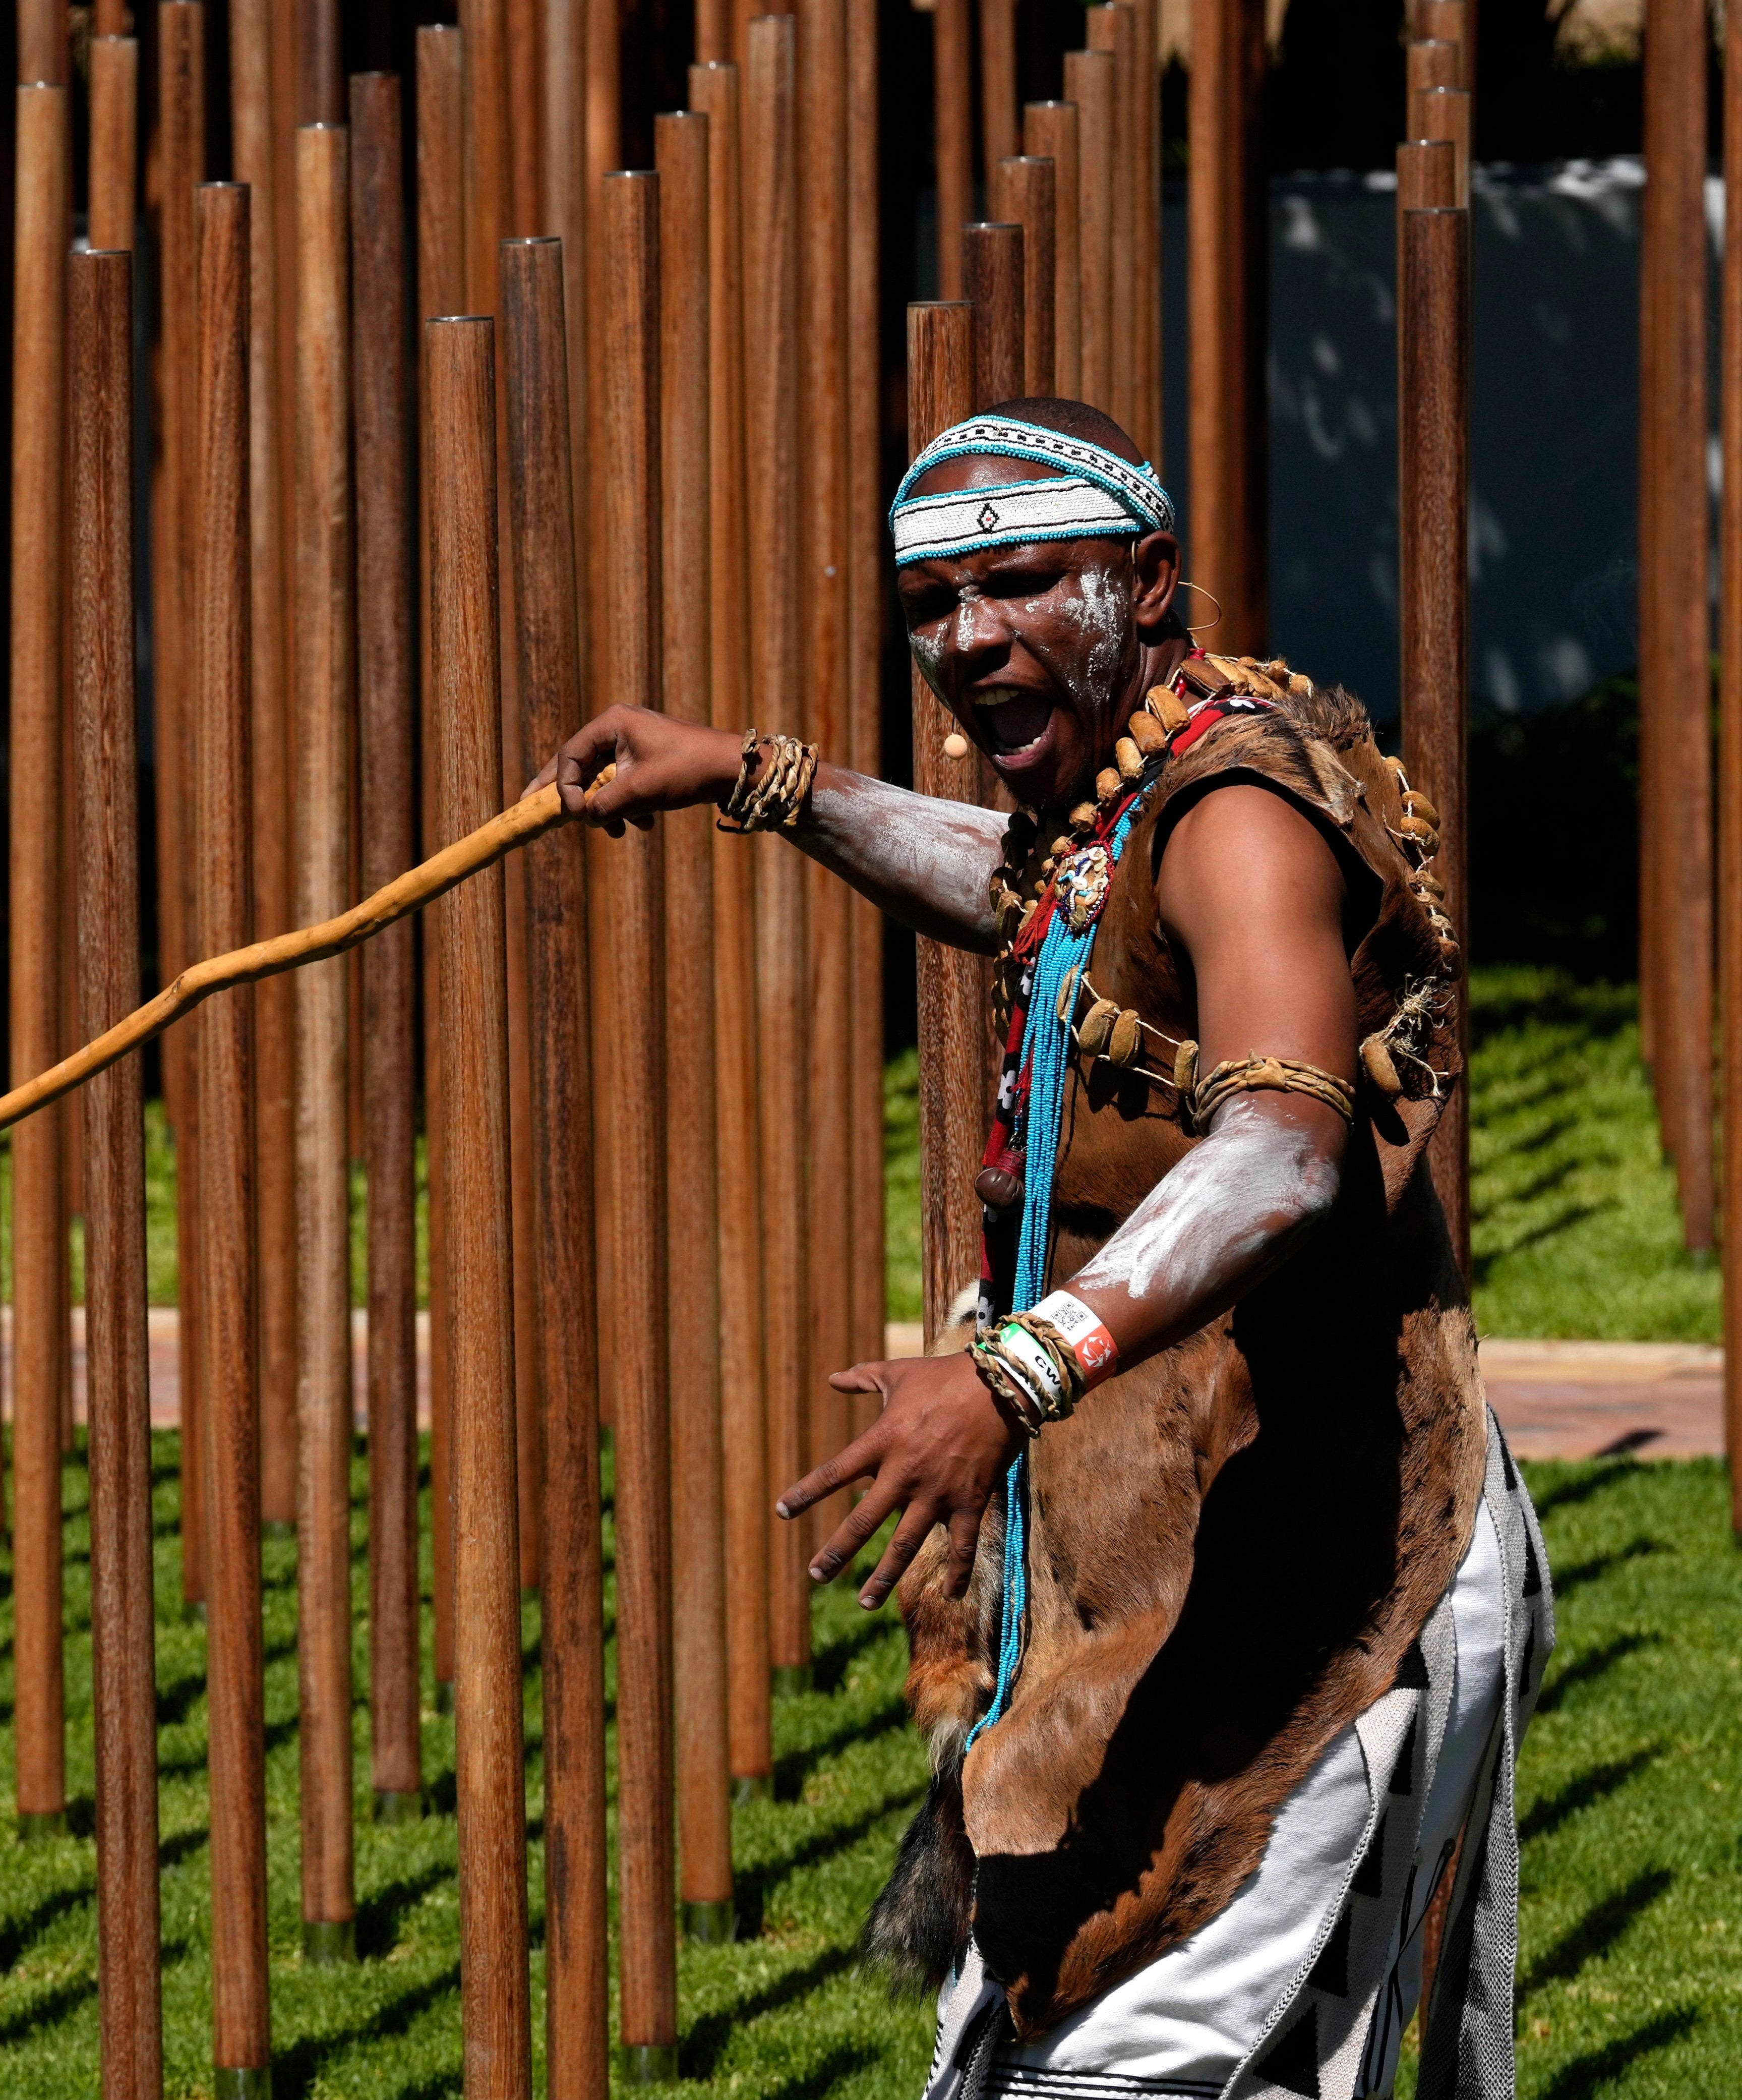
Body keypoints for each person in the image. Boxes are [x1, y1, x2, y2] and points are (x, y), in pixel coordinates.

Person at [538, 399, 1553, 2100]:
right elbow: (1047, 897)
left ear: (1146, 582)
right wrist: (759, 779)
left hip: (1327, 1559)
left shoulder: (1236, 811)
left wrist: (1010, 1375)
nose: (967, 635)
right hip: (1188, 1547)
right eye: (931, 602)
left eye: (1017, 583)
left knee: (1135, 2051)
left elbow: (1285, 1146)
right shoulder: (1132, 793)